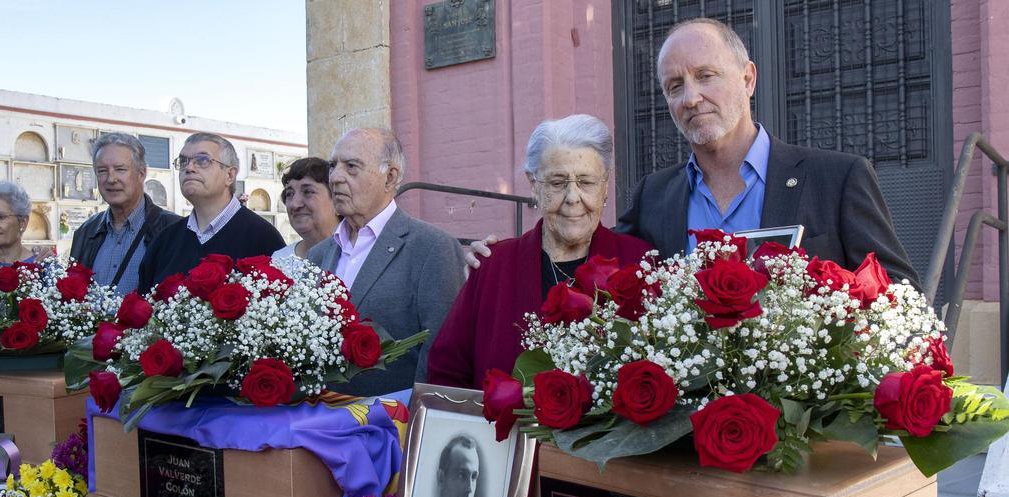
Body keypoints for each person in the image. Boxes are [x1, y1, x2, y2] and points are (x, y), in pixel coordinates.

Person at [468, 19, 919, 287]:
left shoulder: (837, 179)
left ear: (748, 79)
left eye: (706, 75)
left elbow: (899, 293)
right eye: (675, 86)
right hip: (682, 433)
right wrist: (504, 259)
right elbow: (594, 266)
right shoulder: (653, 196)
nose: (691, 97)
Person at [429, 115, 651, 388]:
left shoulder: (639, 263)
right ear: (534, 185)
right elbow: (446, 371)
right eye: (557, 183)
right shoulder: (492, 265)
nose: (572, 198)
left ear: (605, 186)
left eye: (586, 182)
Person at [307, 128, 465, 396]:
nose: (335, 178)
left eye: (351, 167)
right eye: (332, 166)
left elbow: (441, 356)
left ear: (390, 177)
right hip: (317, 422)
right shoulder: (319, 254)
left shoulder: (432, 248)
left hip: (391, 427)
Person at [136, 133, 285, 292]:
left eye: (202, 161)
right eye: (183, 161)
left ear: (229, 175)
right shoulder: (165, 239)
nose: (189, 168)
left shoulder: (263, 237)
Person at [69, 133, 181, 295]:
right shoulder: (86, 232)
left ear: (141, 174)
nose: (111, 179)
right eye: (102, 171)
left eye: (120, 169)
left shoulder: (173, 230)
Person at [273, 157, 338, 259]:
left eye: (308, 192)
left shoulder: (355, 257)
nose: (295, 204)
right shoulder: (279, 259)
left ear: (336, 199)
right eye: (289, 194)